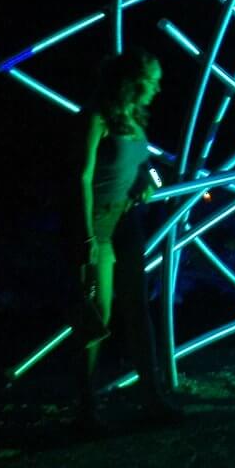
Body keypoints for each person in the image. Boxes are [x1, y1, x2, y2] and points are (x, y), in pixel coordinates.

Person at [76, 47, 182, 427]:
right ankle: (86, 409)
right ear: (131, 81)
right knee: (97, 315)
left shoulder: (135, 122)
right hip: (98, 225)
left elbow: (146, 168)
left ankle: (152, 397)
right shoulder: (96, 117)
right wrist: (86, 237)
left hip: (126, 221)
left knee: (137, 309)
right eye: (151, 80)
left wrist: (147, 183)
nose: (157, 87)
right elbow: (81, 176)